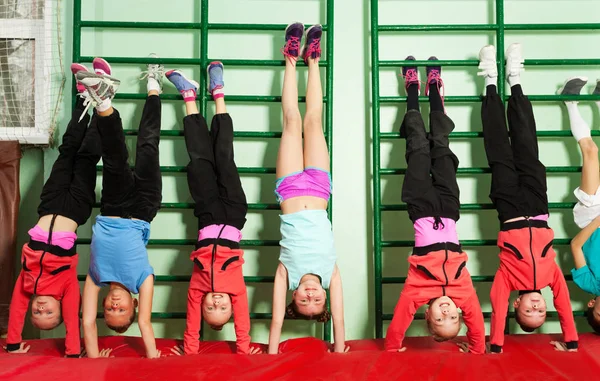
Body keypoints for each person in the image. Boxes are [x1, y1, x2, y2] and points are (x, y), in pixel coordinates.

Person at [478, 43, 578, 353]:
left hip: (509, 208)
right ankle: (515, 79)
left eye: (527, 311)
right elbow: (563, 306)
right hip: (537, 207)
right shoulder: (552, 279)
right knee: (526, 141)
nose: (536, 307)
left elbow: (495, 308)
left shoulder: (507, 282)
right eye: (540, 311)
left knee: (498, 147)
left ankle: (490, 81)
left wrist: (496, 345)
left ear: (517, 303)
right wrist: (572, 341)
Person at [384, 56, 485, 354]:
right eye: (454, 317)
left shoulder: (415, 292)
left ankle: (412, 88)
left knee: (417, 146)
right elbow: (477, 324)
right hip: (449, 209)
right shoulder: (464, 293)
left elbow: (399, 324)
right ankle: (435, 88)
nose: (447, 312)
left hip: (421, 207)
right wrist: (478, 350)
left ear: (426, 314)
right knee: (441, 146)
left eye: (440, 319)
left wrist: (392, 349)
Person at [2, 60, 104, 358]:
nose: (40, 310)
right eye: (48, 315)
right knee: (86, 158)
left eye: (36, 315)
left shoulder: (26, 283)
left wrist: (11, 343)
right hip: (74, 208)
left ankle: (84, 95)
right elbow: (73, 322)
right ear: (59, 308)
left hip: (49, 203)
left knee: (67, 150)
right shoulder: (67, 289)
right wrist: (73, 352)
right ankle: (102, 102)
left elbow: (16, 309)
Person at [165, 63, 259, 355]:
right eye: (222, 307)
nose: (216, 302)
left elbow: (192, 323)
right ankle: (218, 92)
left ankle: (189, 95)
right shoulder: (237, 291)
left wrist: (191, 349)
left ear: (202, 301)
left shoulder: (197, 287)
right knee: (223, 154)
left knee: (198, 160)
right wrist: (243, 348)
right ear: (231, 304)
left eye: (211, 307)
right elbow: (242, 324)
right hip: (233, 214)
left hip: (206, 216)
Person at [268, 22, 347, 354]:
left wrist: (272, 354)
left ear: (293, 297)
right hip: (317, 189)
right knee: (313, 120)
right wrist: (339, 349)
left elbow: (275, 323)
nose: (311, 296)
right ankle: (312, 59)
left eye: (304, 301)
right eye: (317, 301)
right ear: (326, 296)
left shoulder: (287, 273)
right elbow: (339, 323)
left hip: (288, 190)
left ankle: (290, 57)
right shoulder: (331, 274)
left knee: (291, 121)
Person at [80, 55, 163, 359]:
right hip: (144, 206)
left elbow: (87, 321)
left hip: (113, 207)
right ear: (133, 303)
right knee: (148, 144)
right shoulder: (143, 281)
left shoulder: (95, 276)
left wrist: (92, 358)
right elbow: (145, 323)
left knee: (114, 157)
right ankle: (154, 84)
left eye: (109, 309)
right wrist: (153, 359)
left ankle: (103, 101)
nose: (115, 304)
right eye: (121, 309)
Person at [559, 76, 600, 334]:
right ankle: (597, 100)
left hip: (591, 216)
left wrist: (598, 221)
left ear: (592, 304)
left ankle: (570, 101)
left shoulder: (588, 283)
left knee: (591, 151)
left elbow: (575, 244)